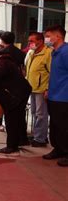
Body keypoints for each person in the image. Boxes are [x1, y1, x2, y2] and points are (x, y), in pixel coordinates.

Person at [43, 25, 68, 167]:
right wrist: (48, 89)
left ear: (57, 36)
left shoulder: (66, 52)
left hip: (64, 96)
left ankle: (66, 152)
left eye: (48, 36)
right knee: (55, 124)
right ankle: (57, 148)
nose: (47, 39)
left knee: (63, 125)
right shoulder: (54, 52)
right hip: (54, 94)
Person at [25, 32, 51, 147]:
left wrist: (48, 89)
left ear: (40, 41)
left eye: (32, 41)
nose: (29, 43)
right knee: (34, 112)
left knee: (41, 114)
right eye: (29, 41)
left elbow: (52, 72)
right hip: (31, 87)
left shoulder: (48, 53)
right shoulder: (31, 52)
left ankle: (40, 138)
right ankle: (38, 135)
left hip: (42, 88)